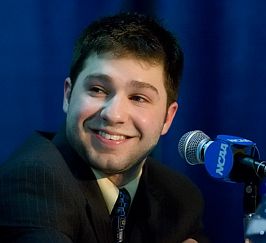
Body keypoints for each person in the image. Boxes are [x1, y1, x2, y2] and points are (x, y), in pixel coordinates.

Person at [0, 12, 208, 243]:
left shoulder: (179, 197)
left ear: (167, 118)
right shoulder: (33, 180)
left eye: (138, 98)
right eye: (98, 90)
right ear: (68, 95)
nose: (113, 114)